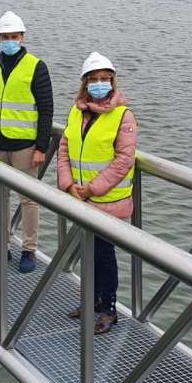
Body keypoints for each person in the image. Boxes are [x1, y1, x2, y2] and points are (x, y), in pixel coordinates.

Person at [57, 52, 136, 335]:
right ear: (85, 83)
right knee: (88, 253)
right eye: (94, 80)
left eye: (105, 79)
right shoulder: (77, 111)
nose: (99, 84)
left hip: (107, 200)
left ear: (113, 82)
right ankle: (92, 301)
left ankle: (109, 310)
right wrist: (67, 184)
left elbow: (124, 160)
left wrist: (91, 188)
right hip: (80, 199)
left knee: (104, 255)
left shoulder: (123, 116)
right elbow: (64, 148)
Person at [0, 11, 53, 273]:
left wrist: (41, 147)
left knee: (28, 200)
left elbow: (46, 109)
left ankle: (28, 250)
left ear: (22, 37)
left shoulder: (36, 66)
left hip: (24, 145)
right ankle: (1, 246)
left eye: (13, 36)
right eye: (5, 37)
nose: (9, 40)